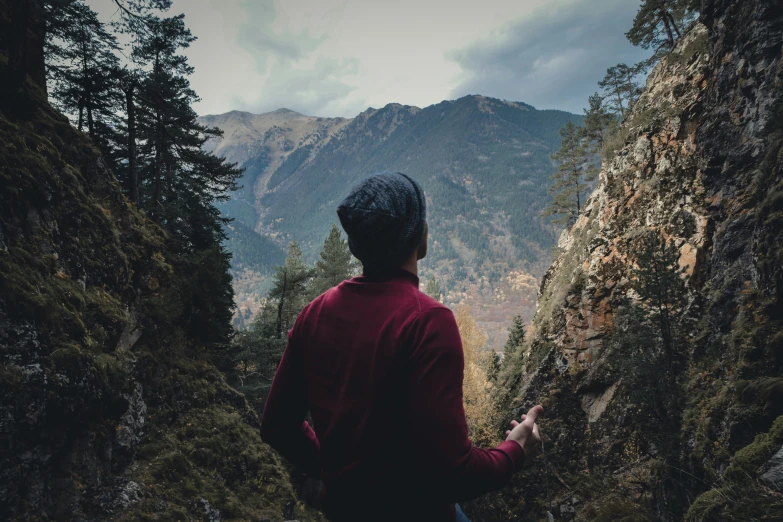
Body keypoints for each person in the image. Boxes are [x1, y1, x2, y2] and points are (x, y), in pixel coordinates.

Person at [260, 172, 543, 522]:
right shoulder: (428, 322)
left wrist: (341, 472)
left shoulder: (314, 314)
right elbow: (454, 474)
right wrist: (515, 450)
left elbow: (277, 425)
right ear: (417, 237)